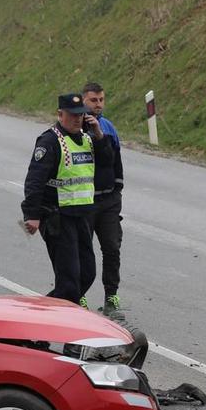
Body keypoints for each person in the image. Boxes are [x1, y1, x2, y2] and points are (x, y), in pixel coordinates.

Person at [22, 93, 108, 305]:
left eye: (81, 115)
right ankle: (57, 330)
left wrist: (99, 135)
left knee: (87, 274)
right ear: (60, 114)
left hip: (82, 216)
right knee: (69, 283)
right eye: (72, 115)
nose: (77, 119)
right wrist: (32, 215)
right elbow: (34, 180)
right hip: (57, 217)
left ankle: (39, 313)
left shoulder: (88, 138)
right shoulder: (50, 141)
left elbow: (107, 165)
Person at [82, 82, 125, 315]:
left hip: (108, 201)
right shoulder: (73, 127)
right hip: (83, 202)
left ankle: (111, 297)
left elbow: (114, 161)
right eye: (93, 100)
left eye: (101, 100)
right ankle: (79, 296)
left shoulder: (108, 127)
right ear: (83, 101)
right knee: (82, 251)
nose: (98, 105)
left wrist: (117, 189)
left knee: (111, 248)